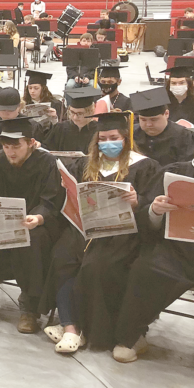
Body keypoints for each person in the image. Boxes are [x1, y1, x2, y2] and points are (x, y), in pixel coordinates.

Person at [112, 128, 194, 388]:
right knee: (145, 269)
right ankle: (133, 336)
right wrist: (155, 210)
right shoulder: (176, 174)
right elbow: (147, 223)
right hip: (178, 252)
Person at [40, 112, 159, 354]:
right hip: (83, 229)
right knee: (62, 255)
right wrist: (67, 188)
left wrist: (139, 201)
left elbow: (151, 207)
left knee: (96, 265)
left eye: (113, 137)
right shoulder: (84, 163)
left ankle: (94, 332)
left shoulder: (144, 166)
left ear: (125, 139)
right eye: (102, 138)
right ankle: (71, 328)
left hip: (121, 234)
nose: (108, 143)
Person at [0, 117, 66, 334]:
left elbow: (51, 200)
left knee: (33, 240)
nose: (10, 152)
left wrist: (38, 217)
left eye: (16, 146)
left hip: (37, 224)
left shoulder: (46, 163)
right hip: (3, 222)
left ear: (30, 143)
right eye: (6, 146)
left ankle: (30, 308)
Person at [129, 87, 194, 168]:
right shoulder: (131, 133)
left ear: (166, 114)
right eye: (143, 120)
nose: (148, 124)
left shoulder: (183, 135)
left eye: (154, 119)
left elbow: (186, 167)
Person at [43, 87, 100, 152]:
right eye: (72, 112)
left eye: (80, 113)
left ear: (91, 111)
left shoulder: (99, 131)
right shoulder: (60, 128)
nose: (75, 117)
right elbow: (46, 149)